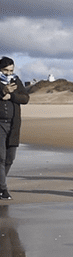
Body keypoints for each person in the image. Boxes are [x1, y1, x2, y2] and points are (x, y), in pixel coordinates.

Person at [0, 56, 29, 200]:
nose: (8, 73)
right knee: (0, 157)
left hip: (14, 125)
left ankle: (0, 184)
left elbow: (25, 98)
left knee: (10, 158)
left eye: (10, 70)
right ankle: (3, 189)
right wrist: (2, 91)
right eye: (5, 70)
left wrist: (11, 95)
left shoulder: (16, 80)